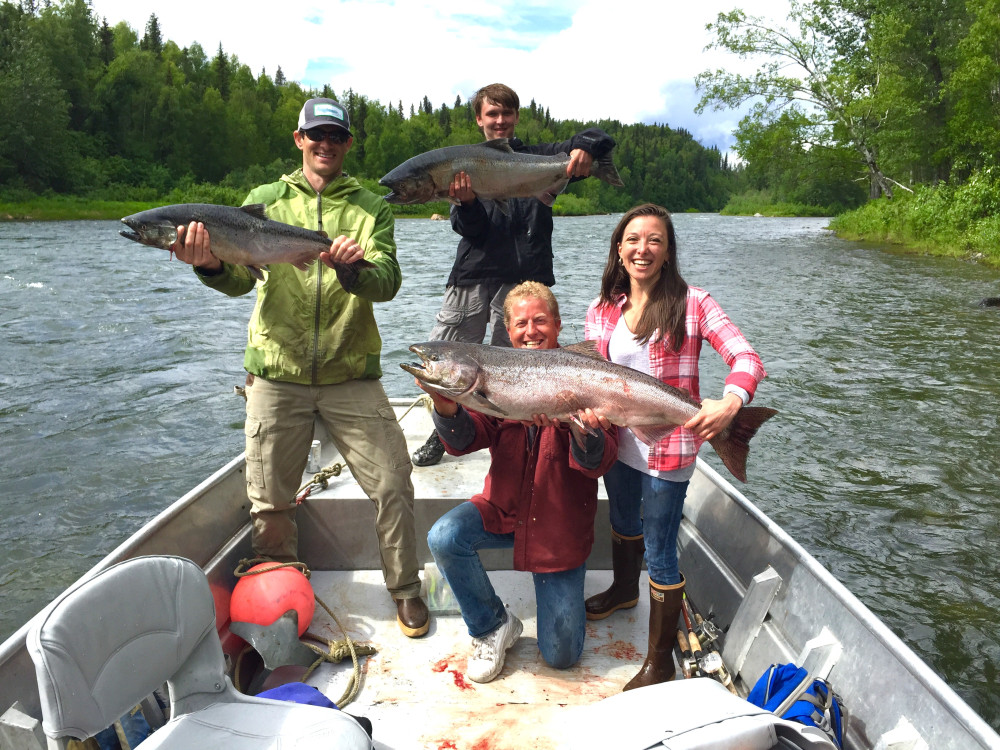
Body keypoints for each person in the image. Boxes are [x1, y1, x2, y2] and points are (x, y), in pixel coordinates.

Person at [170, 97, 429, 638]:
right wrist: (212, 263)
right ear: (299, 139)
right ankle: (283, 598)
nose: (325, 144)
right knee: (269, 501)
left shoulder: (370, 207)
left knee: (394, 483)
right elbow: (242, 280)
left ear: (348, 144)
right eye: (317, 135)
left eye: (336, 136)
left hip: (351, 373)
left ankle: (405, 589)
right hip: (276, 372)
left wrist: (355, 270)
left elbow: (388, 283)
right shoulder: (263, 201)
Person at [584, 203, 768, 690]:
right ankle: (625, 590)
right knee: (622, 523)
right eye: (633, 240)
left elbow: (746, 356)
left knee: (662, 551)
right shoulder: (602, 310)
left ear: (667, 252)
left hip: (670, 451)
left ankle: (659, 662)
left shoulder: (695, 303)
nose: (642, 249)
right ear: (619, 250)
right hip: (618, 445)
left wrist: (732, 401)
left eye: (654, 241)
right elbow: (588, 379)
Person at [411, 82, 618, 467]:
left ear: (517, 117)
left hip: (525, 279)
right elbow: (468, 230)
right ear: (479, 120)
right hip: (473, 274)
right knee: (445, 365)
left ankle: (518, 442)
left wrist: (585, 149)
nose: (500, 121)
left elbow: (600, 139)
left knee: (518, 372)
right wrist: (469, 201)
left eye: (507, 113)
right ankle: (443, 433)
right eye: (492, 114)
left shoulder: (540, 157)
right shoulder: (462, 164)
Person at [423, 282, 619, 683]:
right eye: (520, 324)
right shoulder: (496, 378)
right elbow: (463, 441)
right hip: (503, 512)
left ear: (558, 324)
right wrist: (445, 407)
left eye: (540, 321)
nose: (530, 331)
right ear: (508, 332)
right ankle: (492, 624)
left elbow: (600, 462)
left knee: (561, 656)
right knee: (445, 536)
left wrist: (584, 431)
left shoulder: (585, 377)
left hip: (557, 530)